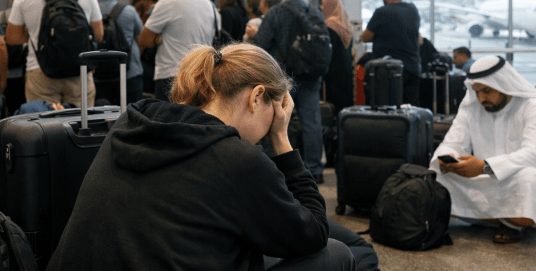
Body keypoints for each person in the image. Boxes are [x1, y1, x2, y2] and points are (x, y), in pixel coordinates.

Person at [45, 43, 356, 271]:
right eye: (276, 111)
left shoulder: (130, 123)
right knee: (337, 254)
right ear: (257, 96)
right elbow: (314, 231)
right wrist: (280, 138)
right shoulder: (237, 159)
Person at [431, 55, 536, 244]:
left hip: (524, 179)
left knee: (530, 179)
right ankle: (511, 221)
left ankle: (493, 217)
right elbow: (453, 142)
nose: (481, 98)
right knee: (438, 176)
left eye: (486, 91)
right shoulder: (472, 107)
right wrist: (447, 159)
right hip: (484, 179)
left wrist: (484, 166)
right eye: (476, 91)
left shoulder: (535, 106)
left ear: (503, 84)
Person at [5, 0, 103, 107]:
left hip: (40, 70)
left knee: (42, 122)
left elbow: (12, 38)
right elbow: (99, 35)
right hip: (79, 70)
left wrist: (35, 33)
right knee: (81, 121)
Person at [253, 0, 326, 184]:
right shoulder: (315, 12)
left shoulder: (276, 13)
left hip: (282, 78)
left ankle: (274, 166)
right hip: (310, 76)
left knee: (275, 119)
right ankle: (315, 169)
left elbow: (260, 46)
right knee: (311, 121)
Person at [138, 0, 216, 101]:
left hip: (171, 76)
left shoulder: (167, 3)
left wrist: (159, 38)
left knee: (167, 116)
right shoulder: (210, 6)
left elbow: (144, 40)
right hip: (201, 77)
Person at [361, 0, 421, 106]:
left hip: (387, 73)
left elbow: (365, 37)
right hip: (412, 69)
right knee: (409, 110)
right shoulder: (413, 10)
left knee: (386, 112)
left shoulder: (382, 12)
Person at [93, 0, 144, 105]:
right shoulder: (129, 11)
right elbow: (141, 38)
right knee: (132, 114)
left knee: (101, 115)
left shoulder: (90, 11)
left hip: (98, 76)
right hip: (129, 74)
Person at [320, 0, 354, 114]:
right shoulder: (346, 24)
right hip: (347, 68)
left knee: (334, 105)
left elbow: (327, 51)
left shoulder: (330, 25)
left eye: (324, 5)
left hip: (334, 71)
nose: (321, 7)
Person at [0, 0, 29, 115]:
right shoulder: (30, 16)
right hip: (25, 70)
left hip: (7, 71)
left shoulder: (2, 16)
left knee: (10, 108)